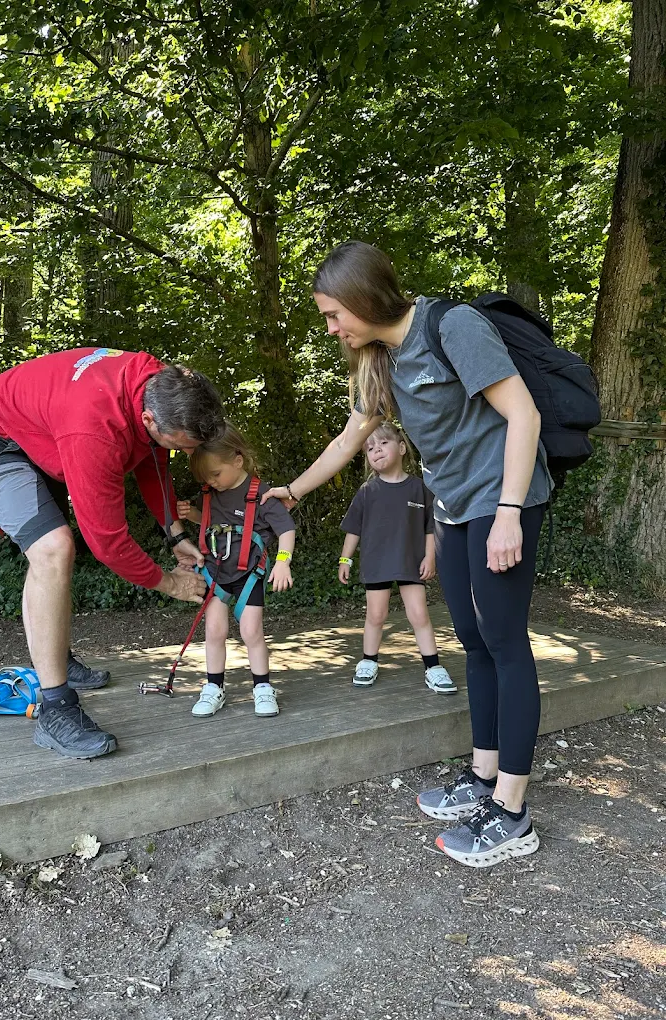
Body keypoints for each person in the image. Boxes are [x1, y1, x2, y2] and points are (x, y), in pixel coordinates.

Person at [263, 241, 552, 869]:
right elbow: (349, 440)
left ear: (364, 299)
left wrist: (508, 513)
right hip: (452, 508)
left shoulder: (452, 326)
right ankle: (484, 775)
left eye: (334, 314)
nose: (331, 328)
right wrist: (294, 489)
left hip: (502, 498)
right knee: (473, 640)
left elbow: (523, 415)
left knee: (505, 642)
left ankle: (512, 811)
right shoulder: (381, 361)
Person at [0, 347, 225, 759]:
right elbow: (108, 543)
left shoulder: (159, 383)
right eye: (181, 445)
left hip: (40, 432)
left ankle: (56, 658)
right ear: (149, 419)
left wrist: (175, 535)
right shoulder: (95, 430)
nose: (187, 454)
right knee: (53, 549)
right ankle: (55, 710)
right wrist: (171, 583)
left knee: (54, 551)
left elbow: (153, 463)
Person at [176, 422, 296, 719]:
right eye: (206, 477)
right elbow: (209, 520)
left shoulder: (262, 495)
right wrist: (191, 514)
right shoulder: (211, 493)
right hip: (215, 573)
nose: (211, 482)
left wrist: (283, 561)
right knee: (214, 631)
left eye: (215, 474)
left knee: (251, 631)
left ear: (237, 460)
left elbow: (286, 529)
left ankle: (263, 687)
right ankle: (213, 687)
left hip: (248, 576)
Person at [339, 422, 455, 695]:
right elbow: (353, 529)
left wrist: (430, 557)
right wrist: (345, 560)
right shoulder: (367, 491)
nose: (376, 450)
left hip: (410, 562)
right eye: (370, 448)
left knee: (419, 614)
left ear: (402, 448)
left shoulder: (420, 488)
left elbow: (430, 528)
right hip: (376, 563)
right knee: (375, 615)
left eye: (383, 443)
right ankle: (368, 661)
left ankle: (433, 667)